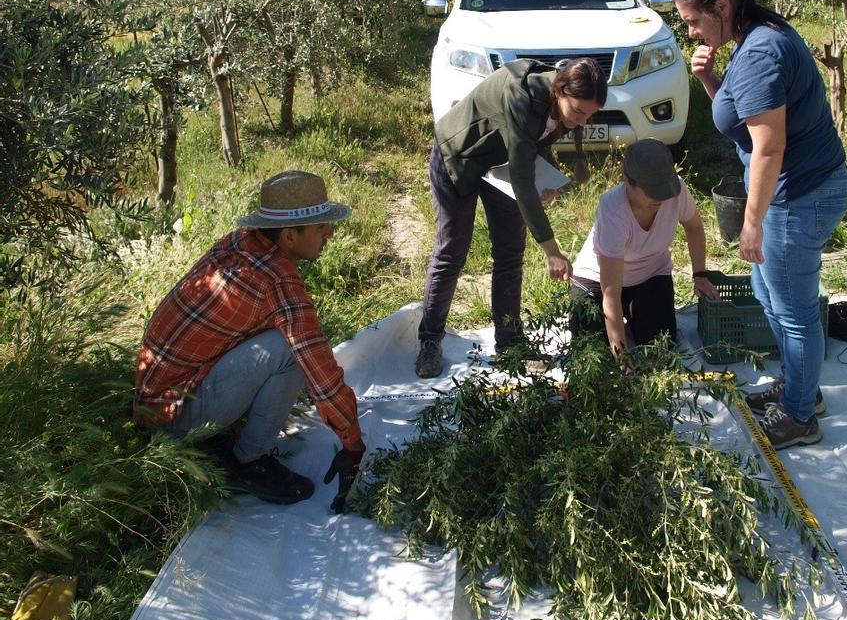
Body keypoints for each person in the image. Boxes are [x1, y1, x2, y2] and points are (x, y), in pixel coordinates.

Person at [673, 0, 847, 450]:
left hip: (798, 197)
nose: (689, 31)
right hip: (787, 193)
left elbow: (770, 146)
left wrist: (751, 224)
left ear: (723, 5)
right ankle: (800, 389)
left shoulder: (761, 52)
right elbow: (741, 118)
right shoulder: (756, 36)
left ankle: (799, 415)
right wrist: (710, 81)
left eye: (692, 20)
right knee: (770, 294)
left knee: (793, 310)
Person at [135, 171, 364, 510]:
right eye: (321, 227)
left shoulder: (240, 241)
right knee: (290, 351)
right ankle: (248, 463)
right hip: (171, 417)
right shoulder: (277, 283)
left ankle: (221, 438)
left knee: (282, 340)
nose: (329, 233)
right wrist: (353, 444)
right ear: (289, 236)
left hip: (156, 397)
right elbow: (321, 373)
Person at [416, 57, 607, 378]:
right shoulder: (523, 96)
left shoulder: (561, 105)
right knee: (452, 250)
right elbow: (521, 176)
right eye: (578, 112)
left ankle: (510, 345)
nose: (583, 122)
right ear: (558, 91)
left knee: (510, 253)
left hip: (499, 164)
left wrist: (544, 182)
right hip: (459, 157)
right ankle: (430, 340)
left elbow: (534, 146)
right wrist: (551, 250)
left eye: (590, 115)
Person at [569, 138, 720, 356]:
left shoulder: (677, 190)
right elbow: (610, 291)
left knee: (660, 346)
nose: (660, 197)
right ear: (627, 182)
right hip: (597, 279)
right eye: (651, 190)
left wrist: (700, 275)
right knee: (590, 350)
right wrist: (622, 358)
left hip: (650, 273)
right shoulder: (612, 208)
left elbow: (694, 227)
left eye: (664, 188)